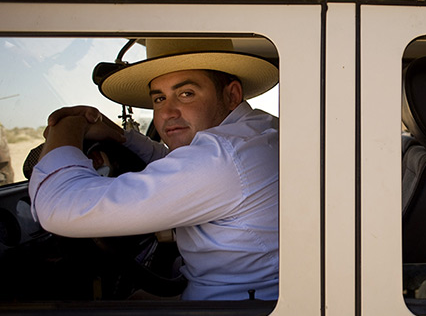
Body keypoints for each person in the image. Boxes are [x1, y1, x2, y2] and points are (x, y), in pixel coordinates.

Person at [29, 39, 280, 301]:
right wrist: (121, 136)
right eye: (159, 98)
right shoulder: (256, 131)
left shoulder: (222, 157)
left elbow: (60, 206)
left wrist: (67, 126)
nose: (168, 113)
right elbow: (176, 162)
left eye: (186, 94)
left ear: (231, 95)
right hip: (250, 299)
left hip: (232, 315)